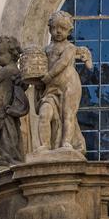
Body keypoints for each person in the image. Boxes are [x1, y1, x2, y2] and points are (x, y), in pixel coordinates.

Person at [36, 11, 92, 152]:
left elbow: (62, 62)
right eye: (55, 28)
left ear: (69, 31)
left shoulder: (70, 47)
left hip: (69, 85)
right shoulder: (46, 50)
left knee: (68, 114)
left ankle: (66, 143)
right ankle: (45, 145)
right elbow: (39, 67)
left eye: (63, 28)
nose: (58, 31)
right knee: (44, 113)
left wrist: (48, 76)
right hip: (51, 89)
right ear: (49, 29)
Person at [0, 35, 29, 165]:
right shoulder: (11, 71)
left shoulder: (8, 70)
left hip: (0, 113)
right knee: (6, 141)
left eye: (1, 54)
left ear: (12, 54)